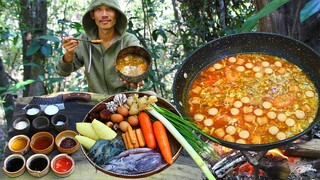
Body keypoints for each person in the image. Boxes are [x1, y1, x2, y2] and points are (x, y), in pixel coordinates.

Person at [55, 0, 142, 94]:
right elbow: (62, 72)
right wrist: (69, 54)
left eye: (109, 9)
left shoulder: (128, 40)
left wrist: (136, 77)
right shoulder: (84, 40)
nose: (104, 14)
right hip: (95, 102)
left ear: (116, 13)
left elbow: (139, 64)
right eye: (98, 9)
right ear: (92, 15)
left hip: (123, 100)